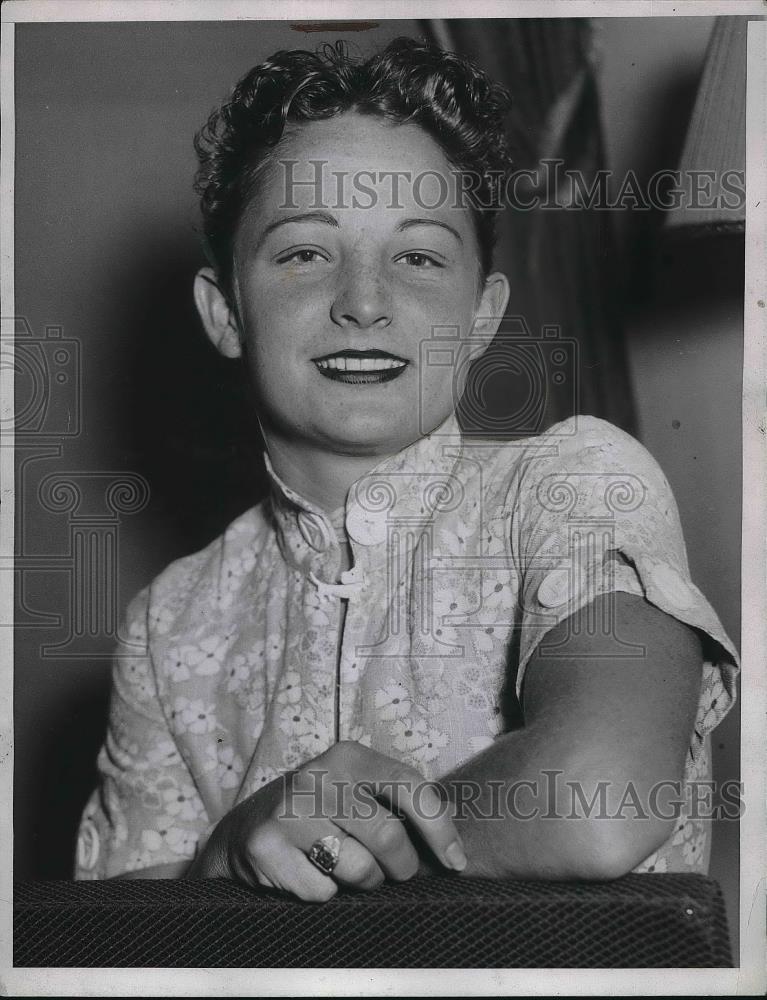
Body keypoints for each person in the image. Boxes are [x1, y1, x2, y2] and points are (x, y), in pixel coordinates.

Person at [75, 38, 739, 898]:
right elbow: (108, 941)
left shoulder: (572, 483)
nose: (363, 299)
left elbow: (599, 798)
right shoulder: (167, 625)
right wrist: (226, 852)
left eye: (418, 257)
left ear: (480, 316)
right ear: (225, 312)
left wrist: (312, 860)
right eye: (304, 252)